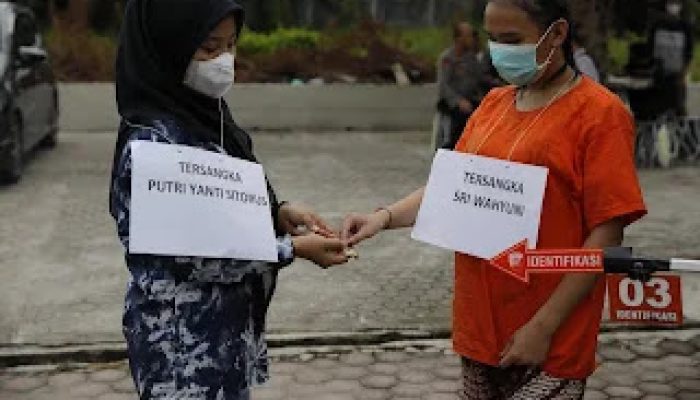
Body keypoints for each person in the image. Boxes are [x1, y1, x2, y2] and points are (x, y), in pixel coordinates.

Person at [342, 0, 647, 399]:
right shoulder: (494, 104)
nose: (500, 51)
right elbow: (453, 189)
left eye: (512, 40)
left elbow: (606, 235)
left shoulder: (601, 114)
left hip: (550, 335)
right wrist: (382, 217)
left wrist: (543, 327)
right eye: (493, 39)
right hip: (480, 325)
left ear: (557, 34)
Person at [109, 1, 348, 399]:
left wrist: (277, 212)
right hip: (181, 354)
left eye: (231, 45)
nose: (223, 61)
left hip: (225, 339)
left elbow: (222, 204)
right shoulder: (152, 143)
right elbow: (193, 253)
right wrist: (292, 249)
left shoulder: (204, 115)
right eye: (208, 48)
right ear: (169, 48)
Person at [436, 22, 489, 150]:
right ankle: (453, 147)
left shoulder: (471, 57)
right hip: (451, 102)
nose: (472, 39)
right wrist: (458, 101)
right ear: (459, 38)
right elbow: (444, 86)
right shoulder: (447, 58)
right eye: (469, 36)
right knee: (460, 119)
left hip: (470, 99)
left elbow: (480, 77)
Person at [649, 0, 694, 116]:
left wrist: (684, 71)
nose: (673, 6)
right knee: (658, 105)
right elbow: (650, 48)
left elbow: (689, 52)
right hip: (659, 73)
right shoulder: (657, 26)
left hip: (678, 74)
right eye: (671, 2)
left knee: (678, 106)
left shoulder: (685, 27)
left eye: (676, 3)